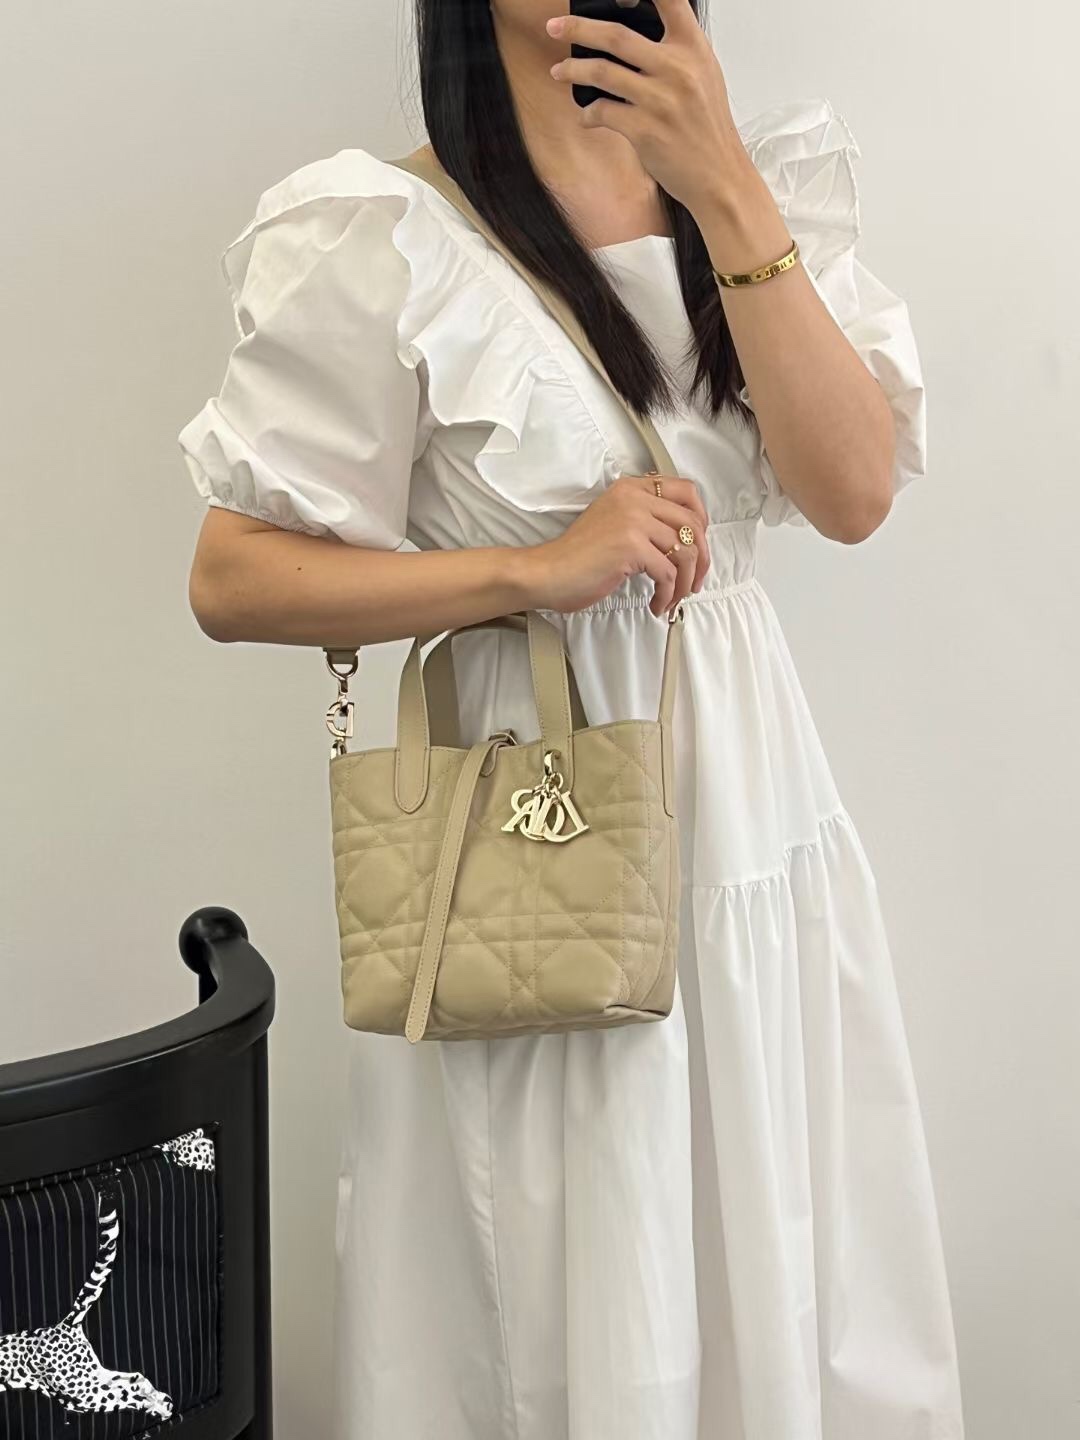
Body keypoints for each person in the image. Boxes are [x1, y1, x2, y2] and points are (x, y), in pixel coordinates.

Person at [177, 2, 965, 1436]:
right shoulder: (389, 232)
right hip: (540, 843)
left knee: (763, 1232)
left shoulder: (746, 192)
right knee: (568, 1259)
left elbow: (852, 492)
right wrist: (530, 571)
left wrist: (723, 179)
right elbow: (233, 580)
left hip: (750, 810)